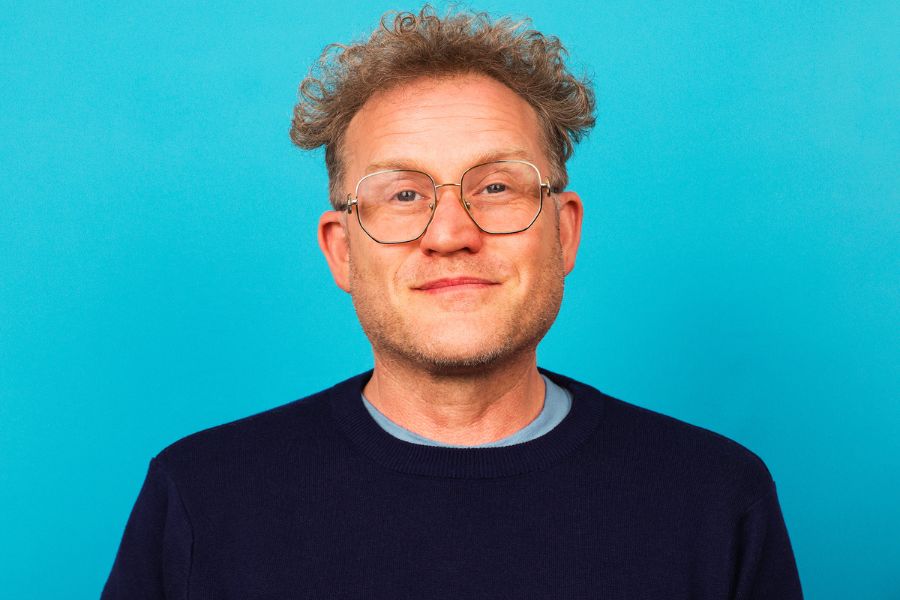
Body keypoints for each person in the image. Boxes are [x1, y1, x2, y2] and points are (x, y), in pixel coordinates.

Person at [102, 6, 803, 598]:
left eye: (496, 186)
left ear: (563, 232)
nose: (451, 233)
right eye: (403, 194)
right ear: (341, 249)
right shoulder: (201, 497)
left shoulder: (716, 499)